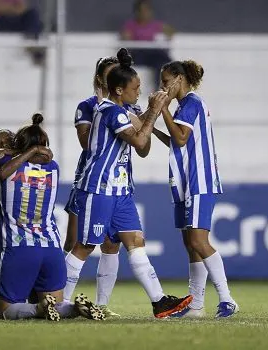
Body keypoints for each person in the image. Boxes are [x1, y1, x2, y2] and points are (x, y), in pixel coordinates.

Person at [63, 48, 193, 319]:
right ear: (118, 89)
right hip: (99, 188)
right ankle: (57, 300)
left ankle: (159, 301)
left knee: (135, 240)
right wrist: (155, 110)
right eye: (135, 88)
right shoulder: (109, 111)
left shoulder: (123, 110)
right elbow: (139, 141)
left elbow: (142, 147)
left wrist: (151, 114)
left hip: (121, 191)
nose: (139, 92)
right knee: (84, 246)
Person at [0, 114, 105, 321]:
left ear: (19, 146)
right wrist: (37, 149)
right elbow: (43, 156)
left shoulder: (8, 162)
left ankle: (37, 309)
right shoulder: (53, 168)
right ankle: (74, 308)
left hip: (20, 247)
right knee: (57, 303)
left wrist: (25, 150)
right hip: (52, 249)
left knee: (6, 311)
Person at [154, 60, 239, 318]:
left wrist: (162, 110)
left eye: (166, 82)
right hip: (185, 183)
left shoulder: (191, 103)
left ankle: (227, 299)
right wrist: (152, 130)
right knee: (189, 244)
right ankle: (196, 304)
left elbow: (181, 137)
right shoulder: (184, 107)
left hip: (200, 181)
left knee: (198, 241)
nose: (163, 87)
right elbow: (178, 143)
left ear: (180, 79)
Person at [63, 56, 143, 317]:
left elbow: (142, 144)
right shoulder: (88, 107)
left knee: (111, 245)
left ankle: (102, 305)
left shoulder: (128, 107)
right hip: (89, 181)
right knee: (75, 241)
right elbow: (88, 144)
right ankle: (55, 298)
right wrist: (111, 115)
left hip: (118, 184)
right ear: (102, 80)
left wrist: (128, 116)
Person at [0, 128, 48, 319]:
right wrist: (26, 151)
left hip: (21, 237)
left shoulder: (25, 164)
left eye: (11, 139)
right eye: (5, 141)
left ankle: (37, 307)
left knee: (36, 290)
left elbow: (47, 155)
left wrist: (27, 152)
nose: (10, 142)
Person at [121, 0, 175, 88]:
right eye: (141, 10)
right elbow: (126, 39)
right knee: (160, 59)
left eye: (147, 10)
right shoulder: (131, 25)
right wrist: (127, 37)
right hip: (138, 54)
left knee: (162, 62)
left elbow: (170, 32)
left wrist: (166, 37)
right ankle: (160, 89)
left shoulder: (156, 24)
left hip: (154, 53)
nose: (144, 13)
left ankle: (163, 88)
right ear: (137, 12)